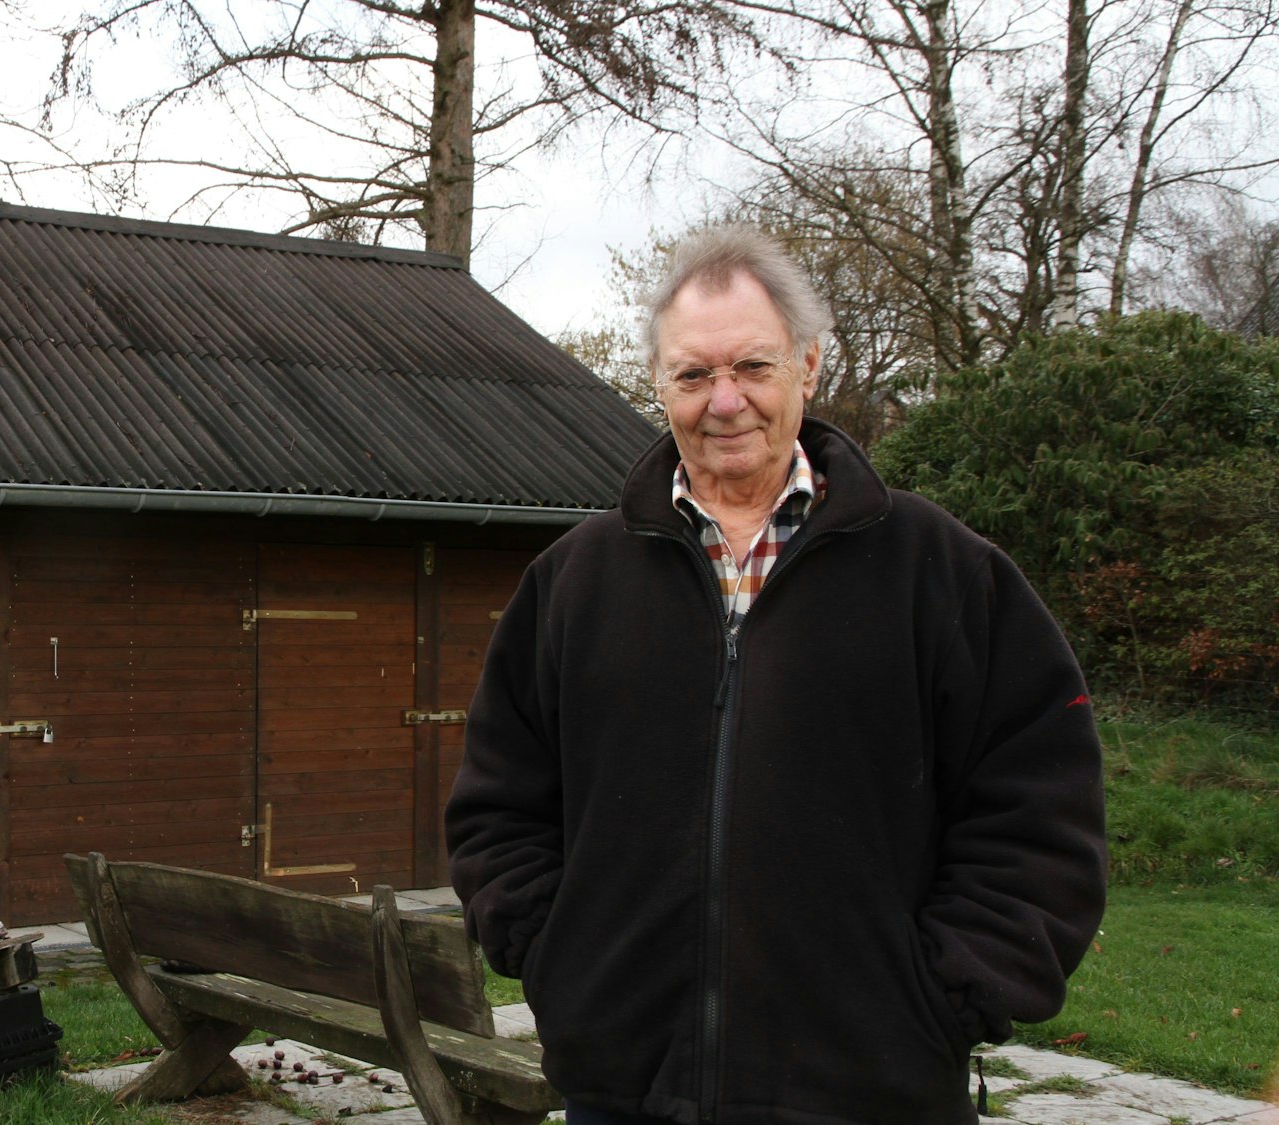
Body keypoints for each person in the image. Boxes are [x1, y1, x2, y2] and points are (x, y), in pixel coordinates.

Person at [444, 225, 1107, 1125]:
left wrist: (949, 995)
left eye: (753, 366)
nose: (725, 401)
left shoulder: (942, 574)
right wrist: (560, 957)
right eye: (693, 374)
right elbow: (499, 803)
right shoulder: (573, 582)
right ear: (659, 384)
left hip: (871, 1097)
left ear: (810, 365)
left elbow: (1041, 808)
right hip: (626, 1091)